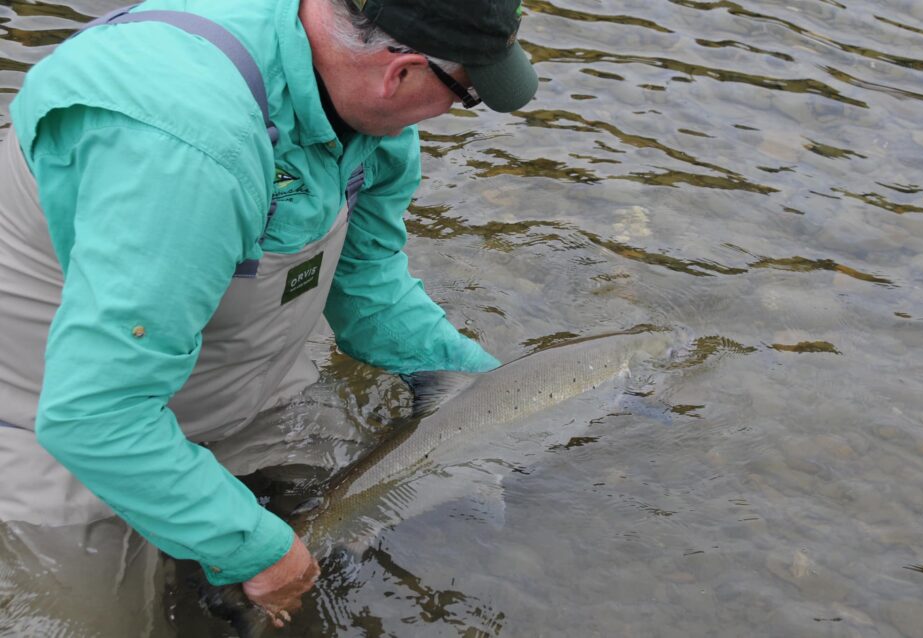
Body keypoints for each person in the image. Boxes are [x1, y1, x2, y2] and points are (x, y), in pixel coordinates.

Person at [0, 0, 537, 633]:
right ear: (402, 73)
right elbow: (93, 416)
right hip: (67, 426)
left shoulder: (364, 119)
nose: (450, 112)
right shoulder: (186, 150)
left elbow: (368, 292)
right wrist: (258, 546)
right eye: (464, 95)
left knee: (347, 533)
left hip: (238, 382)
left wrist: (499, 394)